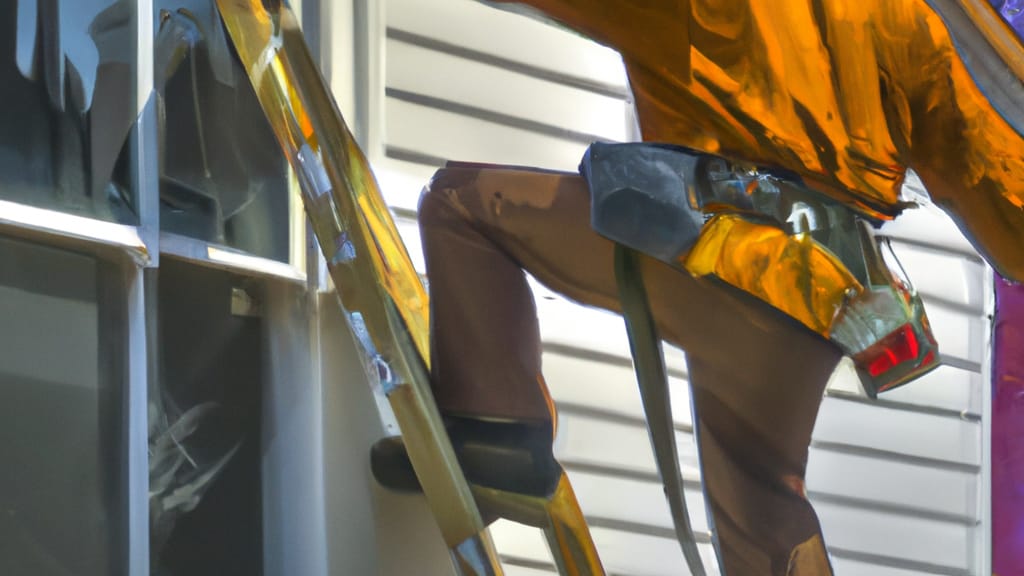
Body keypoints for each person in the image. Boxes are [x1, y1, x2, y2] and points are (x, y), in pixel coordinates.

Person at [374, 1, 1024, 574]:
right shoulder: (905, 20)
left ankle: (497, 431)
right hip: (831, 299)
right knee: (763, 507)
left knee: (461, 205)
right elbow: (993, 175)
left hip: (726, 258)